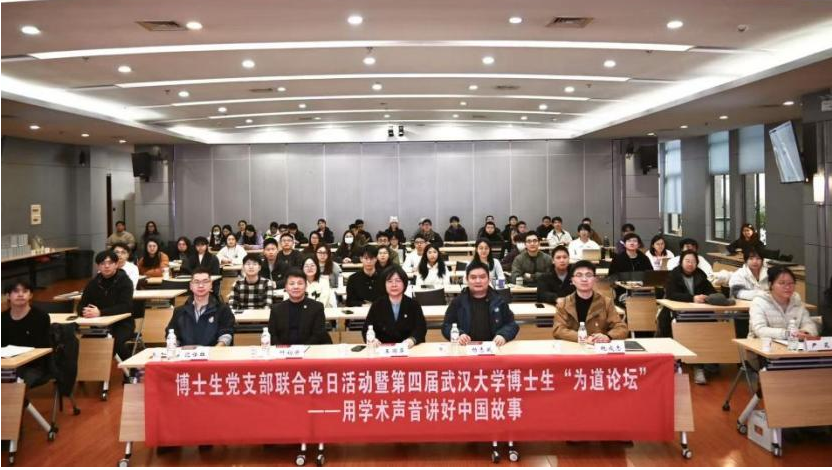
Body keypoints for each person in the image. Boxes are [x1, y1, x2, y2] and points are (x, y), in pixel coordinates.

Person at [658, 251, 717, 383]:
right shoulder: (673, 275)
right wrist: (692, 298)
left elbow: (712, 291)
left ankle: (709, 361)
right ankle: (695, 365)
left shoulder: (700, 275)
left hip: (698, 312)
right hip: (677, 312)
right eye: (687, 261)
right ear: (681, 262)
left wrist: (707, 297)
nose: (690, 264)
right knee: (670, 323)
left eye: (693, 262)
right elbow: (671, 294)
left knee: (713, 325)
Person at [441, 261, 519, 346]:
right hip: (465, 348)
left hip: (494, 348)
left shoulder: (499, 301)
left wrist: (503, 335)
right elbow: (446, 326)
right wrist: (459, 334)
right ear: (467, 279)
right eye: (473, 277)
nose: (478, 281)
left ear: (489, 279)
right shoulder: (458, 302)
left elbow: (512, 324)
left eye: (482, 277)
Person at [78, 250, 135, 360]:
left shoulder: (125, 281)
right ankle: (95, 370)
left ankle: (131, 369)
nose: (106, 266)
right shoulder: (93, 283)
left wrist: (101, 312)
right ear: (98, 266)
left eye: (110, 263)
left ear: (116, 264)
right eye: (103, 263)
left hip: (122, 324)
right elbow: (81, 305)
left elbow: (126, 306)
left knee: (116, 343)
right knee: (83, 343)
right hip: (98, 325)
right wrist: (85, 312)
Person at [553, 261, 628, 343]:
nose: (584, 279)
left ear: (595, 279)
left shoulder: (606, 302)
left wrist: (608, 336)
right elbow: (558, 330)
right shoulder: (563, 304)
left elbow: (621, 328)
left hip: (598, 347)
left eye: (588, 275)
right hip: (573, 347)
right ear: (572, 280)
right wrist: (584, 338)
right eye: (579, 275)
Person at [165, 268, 234, 347]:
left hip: (213, 352)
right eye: (196, 282)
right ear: (191, 286)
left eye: (205, 281)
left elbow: (226, 336)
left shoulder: (223, 310)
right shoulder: (180, 311)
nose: (201, 285)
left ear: (211, 285)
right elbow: (172, 335)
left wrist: (214, 351)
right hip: (185, 353)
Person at [363, 265, 427, 347]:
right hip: (383, 349)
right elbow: (366, 329)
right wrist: (373, 339)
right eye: (389, 281)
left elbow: (421, 328)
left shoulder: (413, 304)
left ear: (404, 283)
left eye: (398, 281)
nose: (394, 285)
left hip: (408, 349)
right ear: (384, 284)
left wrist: (412, 340)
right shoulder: (377, 305)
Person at [1, 280, 51, 386]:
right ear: (8, 296)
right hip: (8, 364)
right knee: (7, 376)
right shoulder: (3, 318)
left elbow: (42, 347)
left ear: (31, 295)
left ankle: (18, 396)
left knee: (15, 380)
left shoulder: (40, 317)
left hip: (34, 365)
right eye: (16, 291)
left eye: (24, 291)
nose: (20, 294)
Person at [749, 266, 819, 340]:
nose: (787, 287)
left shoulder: (796, 301)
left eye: (791, 283)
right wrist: (787, 334)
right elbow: (760, 330)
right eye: (782, 283)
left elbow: (809, 324)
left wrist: (805, 332)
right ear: (770, 285)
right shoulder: (759, 302)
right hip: (761, 344)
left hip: (793, 344)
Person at [268, 268, 332, 345]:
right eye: (292, 284)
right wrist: (283, 349)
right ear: (286, 287)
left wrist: (302, 349)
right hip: (283, 350)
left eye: (300, 283)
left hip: (310, 349)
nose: (296, 287)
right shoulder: (276, 309)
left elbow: (318, 335)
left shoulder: (317, 307)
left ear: (306, 286)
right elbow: (272, 335)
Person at [608, 233, 653, 302]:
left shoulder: (644, 258)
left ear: (639, 244)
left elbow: (650, 274)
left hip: (641, 290)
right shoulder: (618, 259)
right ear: (624, 244)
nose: (632, 243)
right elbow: (611, 277)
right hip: (623, 290)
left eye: (634, 241)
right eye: (629, 241)